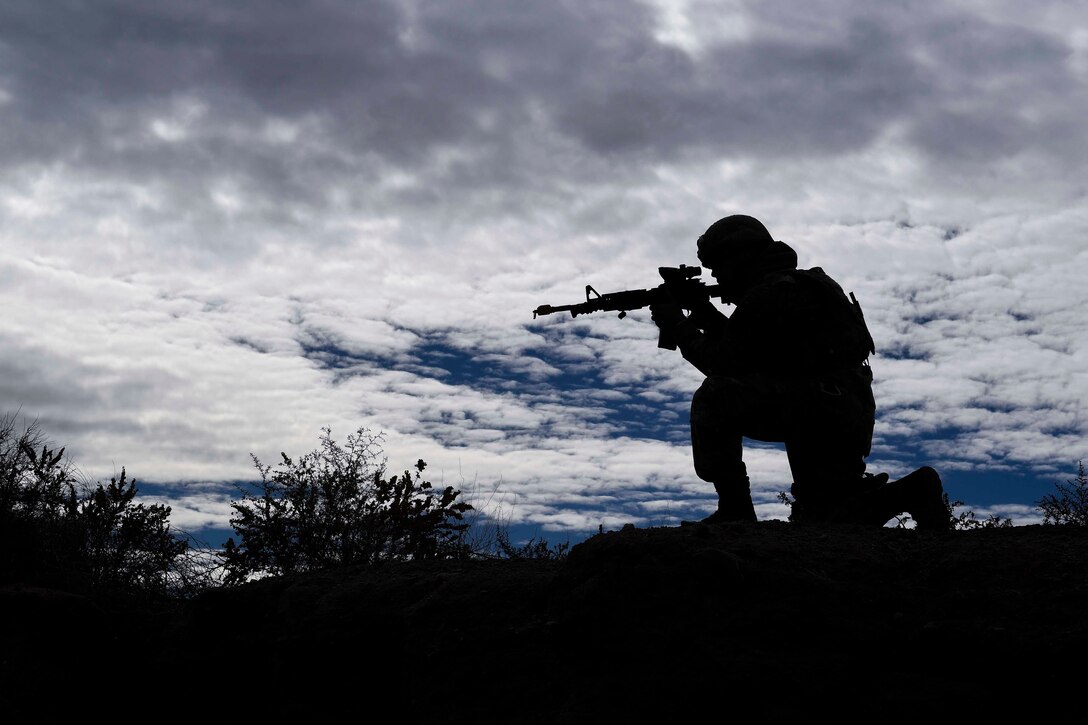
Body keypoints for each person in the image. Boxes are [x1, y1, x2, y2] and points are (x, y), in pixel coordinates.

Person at [649, 214, 949, 530]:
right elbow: (755, 351)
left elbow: (723, 363)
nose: (718, 278)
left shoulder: (769, 292)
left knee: (715, 396)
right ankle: (916, 489)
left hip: (813, 408)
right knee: (830, 518)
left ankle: (734, 508)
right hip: (842, 408)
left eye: (719, 267)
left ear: (741, 256)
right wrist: (702, 311)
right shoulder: (798, 284)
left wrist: (678, 325)